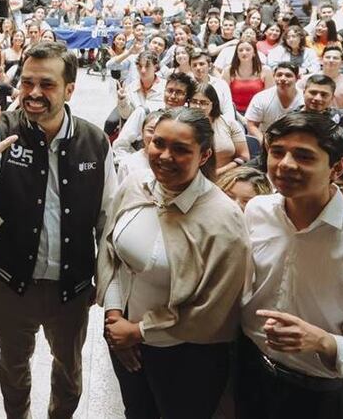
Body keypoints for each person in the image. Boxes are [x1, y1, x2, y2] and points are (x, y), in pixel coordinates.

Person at [0, 41, 115, 419]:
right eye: (26, 83)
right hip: (10, 284)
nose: (34, 93)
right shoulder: (2, 132)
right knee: (13, 367)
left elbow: (107, 219)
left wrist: (103, 283)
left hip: (70, 287)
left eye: (46, 84)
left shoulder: (94, 142)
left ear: (69, 89)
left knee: (69, 372)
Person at [239, 112, 343, 419]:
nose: (285, 164)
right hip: (248, 367)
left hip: (312, 393)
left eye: (304, 156)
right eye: (277, 152)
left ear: (336, 168)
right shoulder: (257, 210)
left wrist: (323, 342)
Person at [97, 107, 250, 418]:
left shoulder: (223, 219)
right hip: (124, 339)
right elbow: (112, 254)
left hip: (187, 356)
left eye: (180, 149)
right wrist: (114, 319)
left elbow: (215, 307)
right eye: (159, 143)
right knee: (137, 412)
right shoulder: (136, 185)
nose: (165, 156)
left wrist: (138, 331)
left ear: (205, 155)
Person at [245, 62, 304, 141]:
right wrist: (263, 141)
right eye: (279, 75)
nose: (282, 79)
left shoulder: (304, 99)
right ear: (274, 76)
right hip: (267, 139)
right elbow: (251, 124)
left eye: (288, 75)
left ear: (297, 78)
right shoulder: (261, 98)